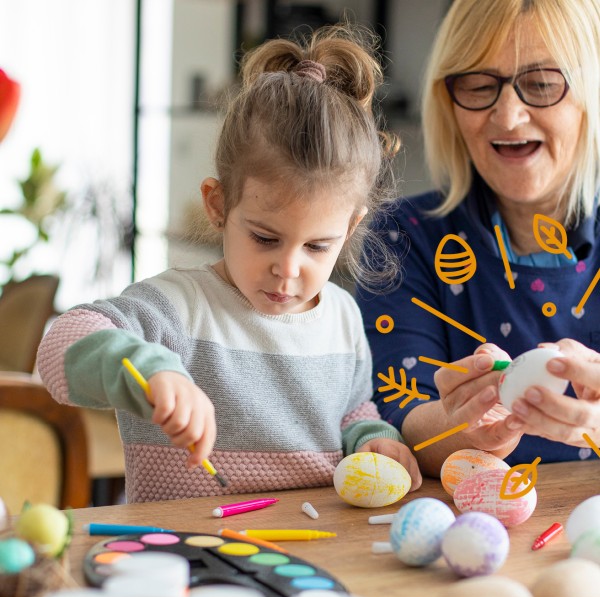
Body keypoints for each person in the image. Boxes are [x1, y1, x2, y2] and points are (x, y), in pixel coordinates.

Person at [37, 23, 422, 502]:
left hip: (315, 544)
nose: (288, 268)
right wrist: (149, 369)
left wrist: (371, 437)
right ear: (218, 206)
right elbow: (57, 351)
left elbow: (351, 410)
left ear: (349, 228)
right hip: (185, 548)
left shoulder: (342, 316)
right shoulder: (175, 308)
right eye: (265, 237)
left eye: (318, 247)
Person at [357, 0, 600, 476]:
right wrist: (465, 428)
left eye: (543, 83)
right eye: (477, 85)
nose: (507, 117)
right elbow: (398, 418)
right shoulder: (402, 238)